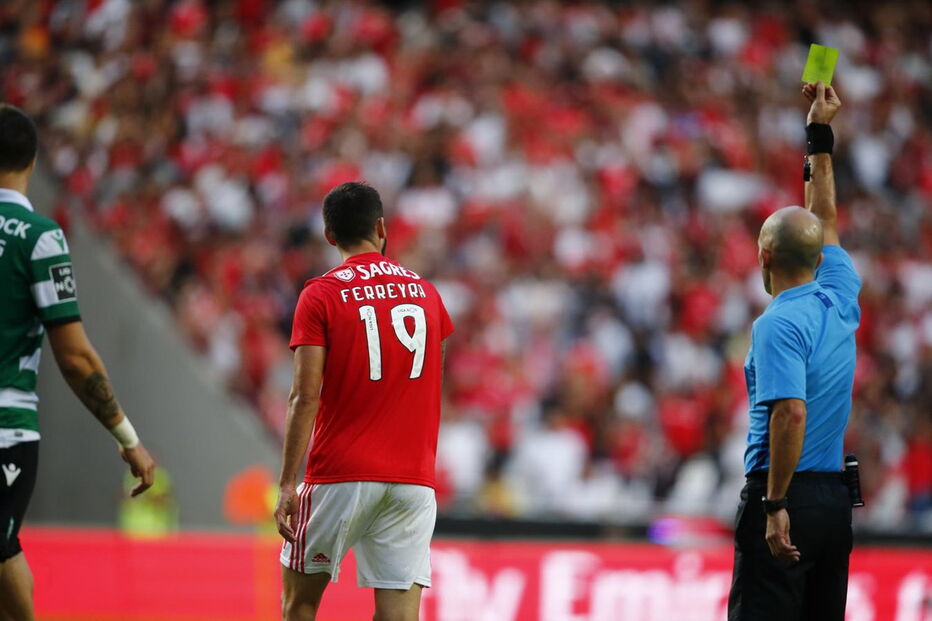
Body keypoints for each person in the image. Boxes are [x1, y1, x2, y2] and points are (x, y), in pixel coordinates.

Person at [0, 103, 156, 620]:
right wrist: (128, 439)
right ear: (33, 160)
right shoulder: (38, 238)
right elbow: (75, 358)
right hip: (5, 429)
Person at [274, 182, 454, 621]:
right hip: (413, 479)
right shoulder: (427, 294)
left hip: (341, 473)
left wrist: (286, 483)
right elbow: (433, 375)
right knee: (399, 616)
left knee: (300, 605)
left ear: (329, 235)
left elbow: (304, 394)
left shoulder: (320, 294)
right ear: (381, 227)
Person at [727, 82, 860, 621]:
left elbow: (790, 413)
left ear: (763, 256)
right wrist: (818, 137)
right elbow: (822, 215)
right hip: (834, 505)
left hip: (788, 497)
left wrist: (775, 504)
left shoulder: (776, 324)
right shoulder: (841, 289)